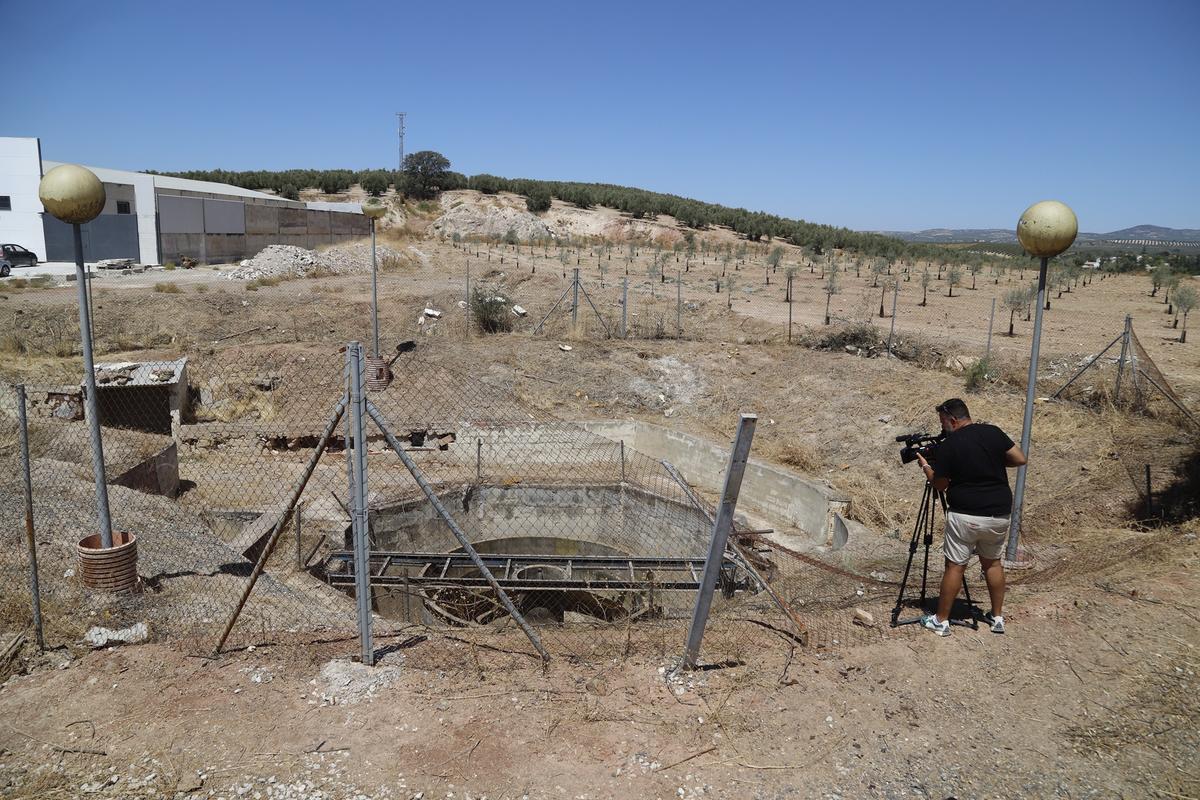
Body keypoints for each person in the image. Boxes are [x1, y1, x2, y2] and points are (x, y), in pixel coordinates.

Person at [914, 398, 1026, 636]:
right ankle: (997, 618)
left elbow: (940, 485)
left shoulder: (950, 445)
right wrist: (992, 462)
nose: (942, 427)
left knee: (955, 566)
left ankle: (941, 620)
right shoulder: (993, 432)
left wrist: (926, 467)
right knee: (993, 563)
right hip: (999, 513)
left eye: (943, 422)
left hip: (966, 514)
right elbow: (1020, 458)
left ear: (953, 420)